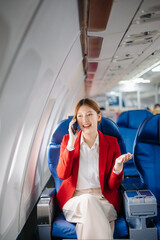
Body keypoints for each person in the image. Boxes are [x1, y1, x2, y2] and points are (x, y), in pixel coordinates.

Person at [56, 98, 132, 239]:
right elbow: (62, 174)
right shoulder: (67, 141)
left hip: (104, 200)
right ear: (75, 121)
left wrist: (117, 166)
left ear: (98, 116)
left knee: (87, 219)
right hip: (75, 200)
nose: (85, 120)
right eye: (80, 116)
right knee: (88, 201)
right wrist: (72, 144)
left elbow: (112, 185)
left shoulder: (111, 143)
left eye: (89, 114)